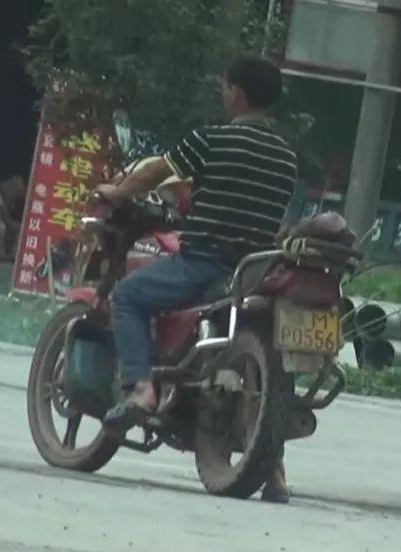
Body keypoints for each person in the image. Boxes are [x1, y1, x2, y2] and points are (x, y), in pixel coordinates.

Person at [94, 57, 299, 503]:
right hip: (254, 272)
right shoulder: (286, 156)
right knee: (271, 360)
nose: (222, 94)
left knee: (127, 296)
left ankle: (141, 389)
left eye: (224, 88)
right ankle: (275, 471)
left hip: (204, 264)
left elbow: (158, 171)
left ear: (236, 93)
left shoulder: (213, 139)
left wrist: (119, 191)